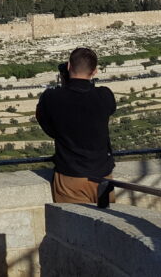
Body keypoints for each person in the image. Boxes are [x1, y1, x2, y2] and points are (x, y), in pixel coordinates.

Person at [36, 47, 116, 203]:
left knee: (74, 225)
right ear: (95, 72)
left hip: (70, 177)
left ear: (68, 67)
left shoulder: (51, 98)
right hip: (103, 176)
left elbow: (46, 125)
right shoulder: (105, 95)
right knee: (107, 221)